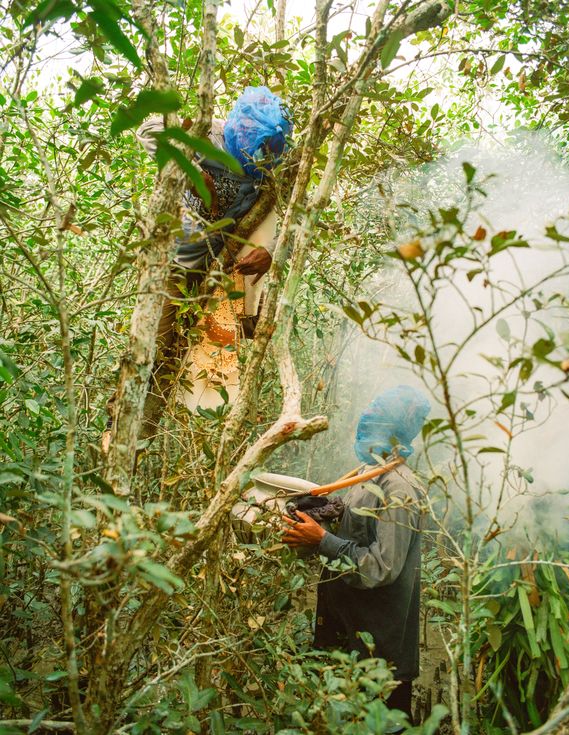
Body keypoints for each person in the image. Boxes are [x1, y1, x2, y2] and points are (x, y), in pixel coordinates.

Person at [103, 87, 291, 448]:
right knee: (154, 347)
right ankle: (120, 427)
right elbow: (148, 130)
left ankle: (154, 432)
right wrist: (189, 166)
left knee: (196, 353)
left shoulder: (273, 158)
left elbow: (292, 211)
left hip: (220, 268)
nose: (259, 159)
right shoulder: (211, 135)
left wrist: (272, 252)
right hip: (176, 263)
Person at [282, 385, 431, 724]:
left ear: (394, 434)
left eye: (374, 422)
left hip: (377, 651)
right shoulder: (366, 475)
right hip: (344, 636)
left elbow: (381, 567)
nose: (363, 427)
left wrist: (322, 540)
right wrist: (319, 520)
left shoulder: (399, 488)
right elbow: (350, 530)